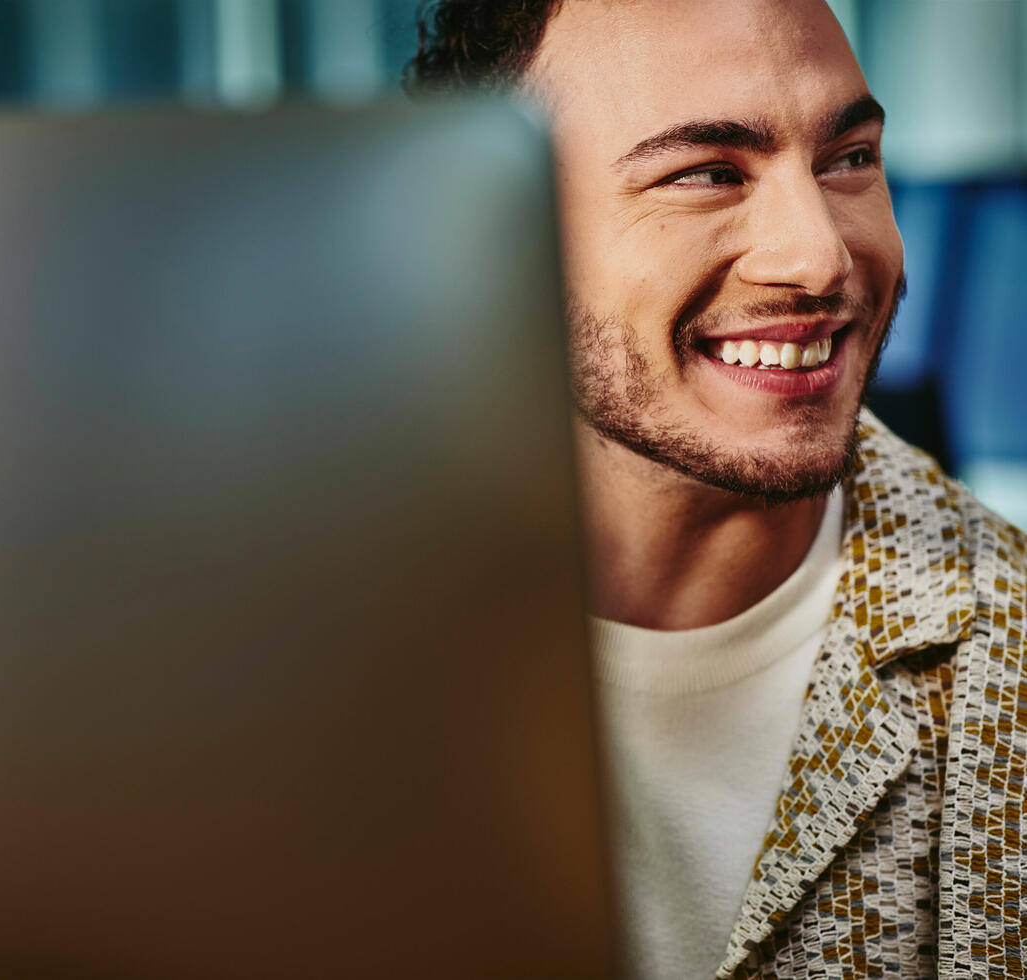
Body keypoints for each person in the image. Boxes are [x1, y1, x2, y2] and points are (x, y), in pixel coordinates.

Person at [407, 2, 1026, 978]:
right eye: (706, 173)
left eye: (848, 158)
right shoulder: (280, 644)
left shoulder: (1011, 655)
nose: (819, 255)